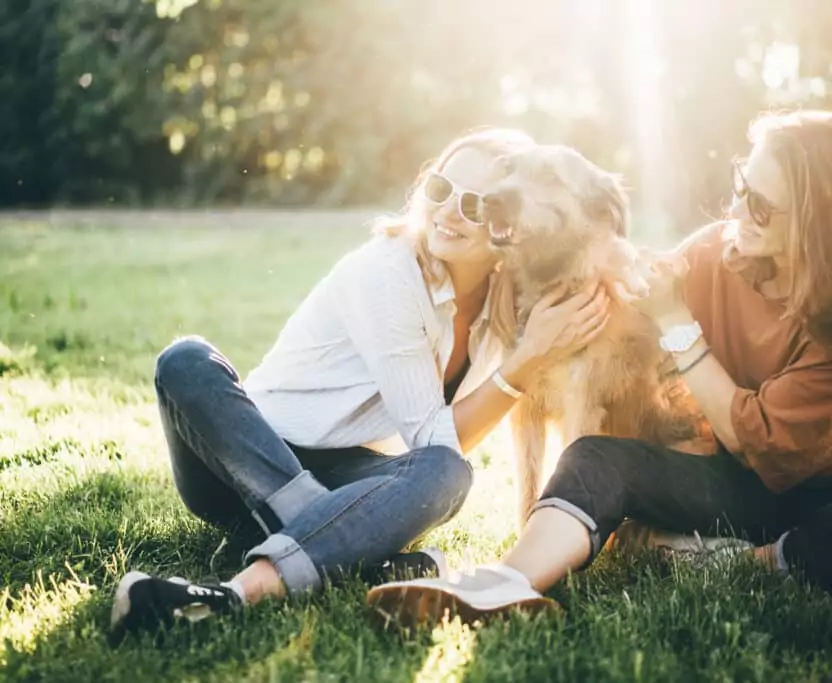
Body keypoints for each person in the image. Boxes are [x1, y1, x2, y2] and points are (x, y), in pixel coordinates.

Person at [366, 110, 832, 628]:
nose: (737, 210)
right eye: (741, 185)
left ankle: (723, 561)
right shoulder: (722, 251)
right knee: (593, 458)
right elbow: (636, 275)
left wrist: (678, 323)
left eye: (762, 206)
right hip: (742, 484)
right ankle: (505, 582)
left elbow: (769, 449)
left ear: (817, 225)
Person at [109, 128, 611, 638]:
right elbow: (430, 433)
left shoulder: (506, 294)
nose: (448, 212)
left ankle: (268, 569)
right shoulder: (387, 271)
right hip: (244, 461)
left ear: (508, 223)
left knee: (447, 473)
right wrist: (526, 361)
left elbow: (437, 451)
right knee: (185, 359)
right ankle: (327, 555)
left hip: (349, 475)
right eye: (440, 190)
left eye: (475, 205)